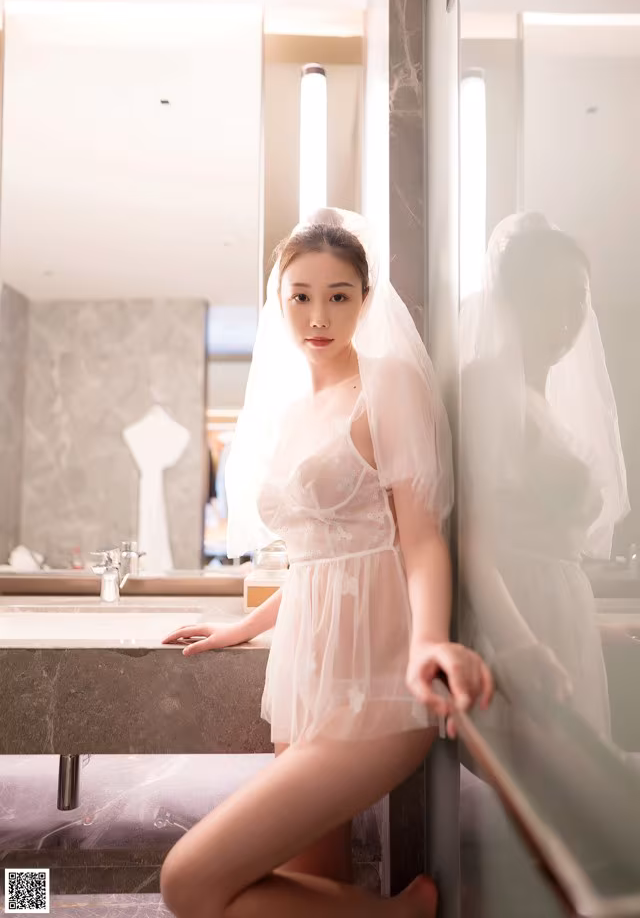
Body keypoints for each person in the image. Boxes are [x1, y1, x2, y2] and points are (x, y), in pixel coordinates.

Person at [160, 208, 493, 918]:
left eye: (339, 295)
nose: (319, 314)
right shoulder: (293, 413)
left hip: (377, 684)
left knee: (188, 883)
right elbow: (322, 551)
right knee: (313, 889)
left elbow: (420, 536)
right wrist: (246, 626)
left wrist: (430, 641)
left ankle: (403, 914)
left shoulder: (389, 382)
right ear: (279, 304)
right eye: (301, 296)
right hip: (306, 675)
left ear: (365, 302)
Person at [459, 212, 629, 737]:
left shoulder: (544, 400)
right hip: (520, 621)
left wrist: (593, 623)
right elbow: (473, 541)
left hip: (564, 616)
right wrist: (518, 645)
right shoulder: (487, 385)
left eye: (578, 296)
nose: (567, 314)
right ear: (511, 299)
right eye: (548, 295)